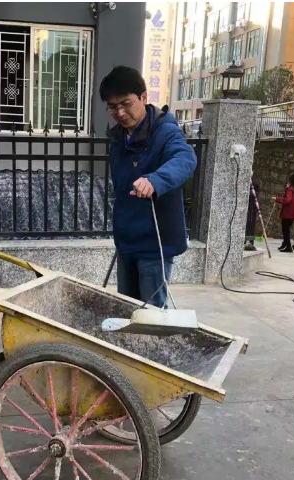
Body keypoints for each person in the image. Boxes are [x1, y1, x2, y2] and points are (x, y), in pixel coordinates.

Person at [100, 66, 197, 307]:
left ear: (143, 97)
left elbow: (185, 158)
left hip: (156, 243)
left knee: (152, 312)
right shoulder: (119, 138)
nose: (120, 113)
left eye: (126, 104)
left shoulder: (165, 132)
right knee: (126, 307)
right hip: (127, 240)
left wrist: (155, 180)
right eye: (113, 107)